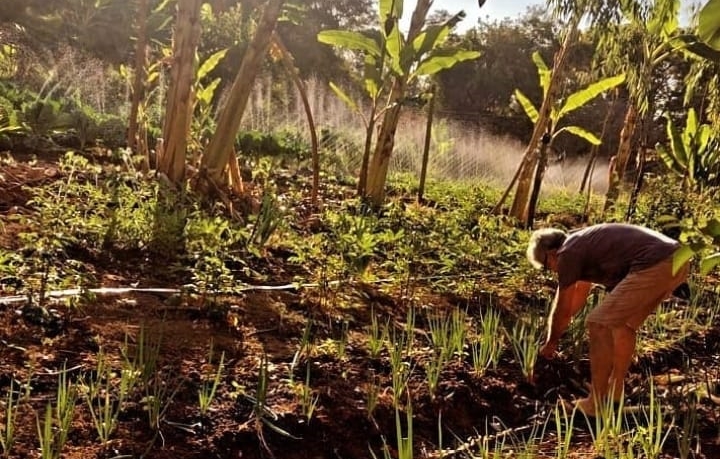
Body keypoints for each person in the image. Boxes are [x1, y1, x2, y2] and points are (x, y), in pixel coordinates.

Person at [526, 223, 689, 416]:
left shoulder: (567, 252)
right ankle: (614, 392)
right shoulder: (581, 244)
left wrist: (551, 343)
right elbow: (575, 299)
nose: (551, 271)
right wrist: (561, 328)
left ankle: (595, 403)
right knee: (623, 326)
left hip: (655, 262)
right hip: (678, 259)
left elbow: (562, 307)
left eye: (546, 266)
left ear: (551, 253)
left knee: (598, 323)